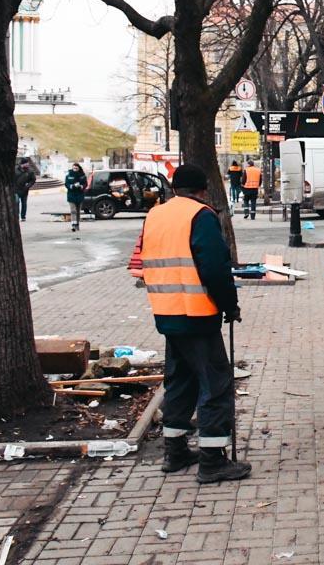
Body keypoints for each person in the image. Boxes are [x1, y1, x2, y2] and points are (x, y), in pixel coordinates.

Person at [139, 163, 251, 484]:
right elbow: (215, 268)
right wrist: (230, 305)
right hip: (197, 313)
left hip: (166, 312)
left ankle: (174, 452)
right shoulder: (200, 216)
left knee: (179, 381)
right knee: (215, 384)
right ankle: (212, 460)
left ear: (175, 188)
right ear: (202, 189)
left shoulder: (156, 215)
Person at [64, 163, 87, 233]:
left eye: (76, 168)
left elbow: (85, 184)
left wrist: (81, 186)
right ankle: (73, 225)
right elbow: (66, 184)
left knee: (78, 211)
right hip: (71, 195)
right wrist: (72, 186)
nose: (75, 169)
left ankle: (77, 224)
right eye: (74, 168)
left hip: (79, 195)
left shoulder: (82, 176)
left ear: (79, 168)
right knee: (73, 210)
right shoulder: (68, 176)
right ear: (72, 168)